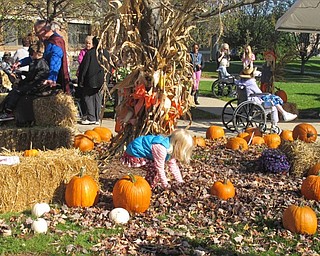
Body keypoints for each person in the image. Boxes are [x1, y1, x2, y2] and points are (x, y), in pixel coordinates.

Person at [120, 129, 194, 189]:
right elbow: (160, 168)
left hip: (141, 154)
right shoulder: (161, 148)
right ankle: (147, 188)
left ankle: (148, 186)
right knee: (155, 169)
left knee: (155, 169)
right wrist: (165, 185)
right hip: (134, 154)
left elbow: (173, 166)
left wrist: (180, 182)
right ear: (178, 146)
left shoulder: (170, 148)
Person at [13, 20, 70, 94]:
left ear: (45, 30)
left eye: (37, 32)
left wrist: (52, 78)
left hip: (54, 79)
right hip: (42, 75)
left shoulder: (56, 42)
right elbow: (36, 57)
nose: (37, 35)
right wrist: (20, 62)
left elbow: (55, 60)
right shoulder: (45, 42)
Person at [236, 66, 297, 132]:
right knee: (273, 106)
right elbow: (259, 93)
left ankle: (284, 113)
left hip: (245, 102)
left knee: (271, 99)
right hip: (256, 103)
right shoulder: (250, 82)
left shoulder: (240, 82)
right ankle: (275, 125)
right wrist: (267, 94)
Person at [0, 41, 49, 121]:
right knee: (14, 90)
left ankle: (9, 112)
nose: (29, 55)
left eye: (30, 53)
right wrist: (20, 73)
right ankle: (3, 109)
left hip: (36, 87)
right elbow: (31, 76)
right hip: (34, 84)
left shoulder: (40, 64)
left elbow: (33, 78)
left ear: (35, 53)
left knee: (17, 91)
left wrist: (22, 80)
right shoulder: (37, 62)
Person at [78, 36, 109, 125]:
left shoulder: (90, 53)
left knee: (88, 97)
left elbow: (84, 67)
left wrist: (81, 80)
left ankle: (91, 117)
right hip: (102, 80)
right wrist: (106, 79)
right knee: (98, 97)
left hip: (90, 79)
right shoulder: (106, 53)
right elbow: (108, 67)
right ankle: (97, 117)